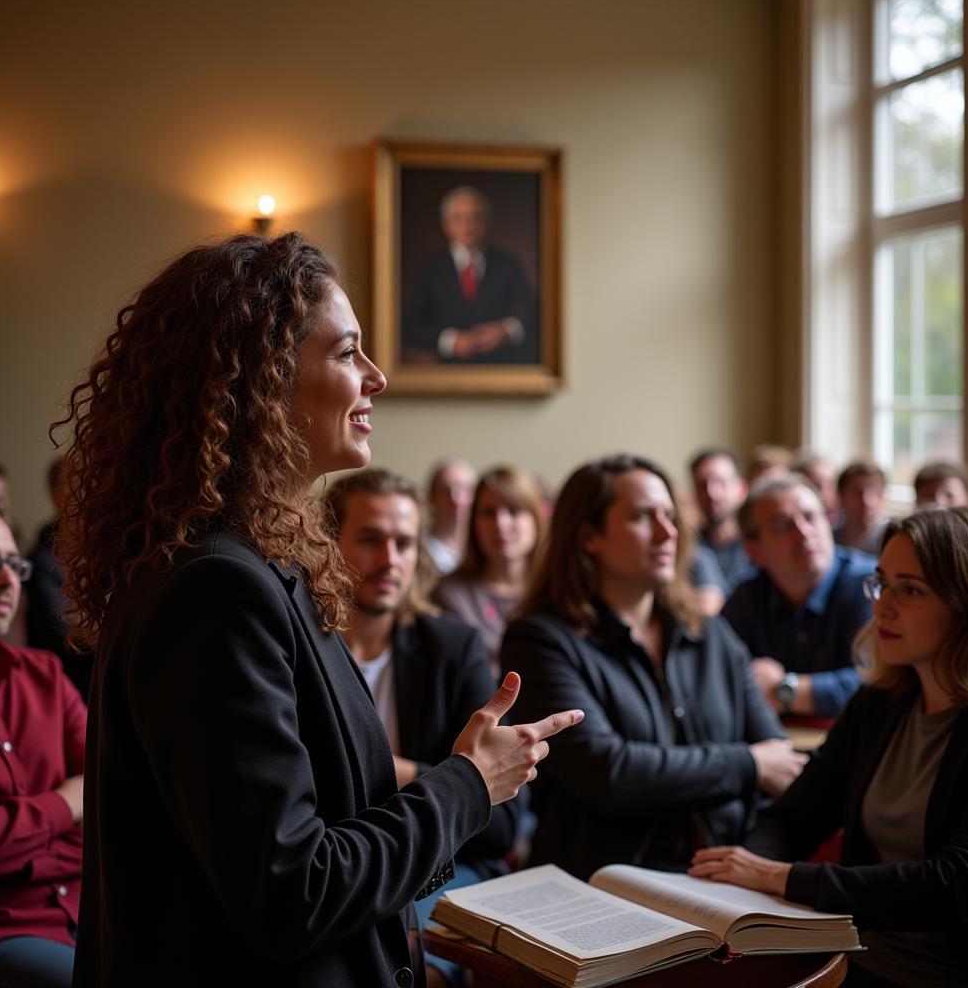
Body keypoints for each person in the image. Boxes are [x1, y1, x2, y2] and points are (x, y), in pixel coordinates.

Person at [55, 232, 582, 988]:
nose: (378, 377)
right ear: (261, 380)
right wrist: (466, 783)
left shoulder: (261, 567)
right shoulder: (215, 589)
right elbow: (290, 889)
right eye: (347, 353)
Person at [689, 505, 968, 988]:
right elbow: (797, 813)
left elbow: (955, 883)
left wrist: (779, 877)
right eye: (882, 583)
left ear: (964, 604)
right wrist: (745, 879)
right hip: (853, 959)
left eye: (910, 590)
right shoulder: (879, 703)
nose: (881, 606)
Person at [499, 454, 805, 882]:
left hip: (722, 878)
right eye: (644, 517)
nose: (667, 532)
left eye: (670, 516)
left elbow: (780, 763)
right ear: (589, 537)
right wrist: (746, 765)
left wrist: (751, 862)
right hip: (602, 883)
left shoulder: (711, 634)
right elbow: (609, 772)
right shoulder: (539, 640)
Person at [326, 468, 520, 988]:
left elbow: (500, 824)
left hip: (443, 865)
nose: (390, 560)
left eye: (405, 543)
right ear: (327, 542)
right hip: (337, 869)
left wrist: (399, 770)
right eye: (370, 539)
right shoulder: (307, 651)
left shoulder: (451, 649)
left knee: (416, 960)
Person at [0, 483, 85, 988]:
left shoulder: (44, 676)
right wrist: (63, 804)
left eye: (16, 564)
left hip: (90, 918)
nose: (10, 580)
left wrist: (2, 849)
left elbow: (109, 793)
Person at [722, 473, 875, 718]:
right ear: (755, 551)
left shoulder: (869, 585)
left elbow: (878, 682)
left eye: (810, 517)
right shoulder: (746, 597)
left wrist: (784, 689)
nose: (803, 533)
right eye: (782, 525)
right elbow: (716, 681)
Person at [402, 186, 537, 364]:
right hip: (447, 374)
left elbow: (533, 312)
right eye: (459, 218)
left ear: (487, 223)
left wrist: (507, 329)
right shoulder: (430, 268)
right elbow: (410, 324)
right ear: (446, 225)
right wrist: (450, 341)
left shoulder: (508, 263)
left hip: (502, 370)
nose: (468, 226)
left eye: (476, 218)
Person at [435, 466, 546, 676]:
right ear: (473, 522)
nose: (500, 523)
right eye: (489, 512)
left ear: (536, 520)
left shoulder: (555, 593)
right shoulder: (449, 593)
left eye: (514, 511)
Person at [26, 459, 91, 699]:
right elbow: (64, 641)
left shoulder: (106, 550)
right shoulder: (42, 562)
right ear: (55, 495)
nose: (86, 491)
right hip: (68, 691)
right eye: (75, 484)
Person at [687, 448, 754, 615]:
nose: (711, 493)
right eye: (702, 485)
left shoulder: (762, 546)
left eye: (720, 482)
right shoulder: (687, 549)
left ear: (741, 488)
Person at [424, 458, 476, 575]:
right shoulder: (421, 552)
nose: (456, 499)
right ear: (431, 498)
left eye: (464, 489)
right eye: (446, 490)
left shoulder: (487, 550)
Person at [834, 461, 886, 556]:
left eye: (874, 492)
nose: (866, 501)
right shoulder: (828, 540)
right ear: (841, 497)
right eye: (857, 492)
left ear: (883, 497)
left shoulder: (891, 542)